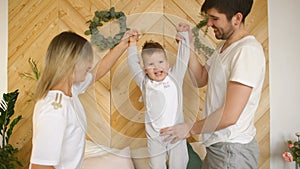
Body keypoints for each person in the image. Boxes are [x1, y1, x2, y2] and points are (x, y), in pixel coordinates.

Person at [160, 0, 266, 168]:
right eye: (208, 18)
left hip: (232, 151)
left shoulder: (246, 51)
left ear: (237, 18)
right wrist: (188, 46)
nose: (209, 24)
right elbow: (200, 78)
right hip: (219, 148)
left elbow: (230, 115)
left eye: (214, 18)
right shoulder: (223, 47)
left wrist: (190, 129)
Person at [30, 30, 135, 169]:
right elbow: (41, 167)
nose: (90, 65)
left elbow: (97, 71)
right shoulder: (54, 109)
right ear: (72, 62)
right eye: (86, 60)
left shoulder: (70, 92)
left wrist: (122, 45)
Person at [127, 28, 191, 169]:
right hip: (155, 137)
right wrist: (132, 44)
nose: (157, 67)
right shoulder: (145, 83)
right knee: (156, 166)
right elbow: (133, 63)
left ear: (168, 64)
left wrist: (184, 36)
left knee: (179, 165)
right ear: (145, 70)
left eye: (161, 62)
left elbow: (183, 57)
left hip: (175, 134)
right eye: (151, 64)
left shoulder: (175, 77)